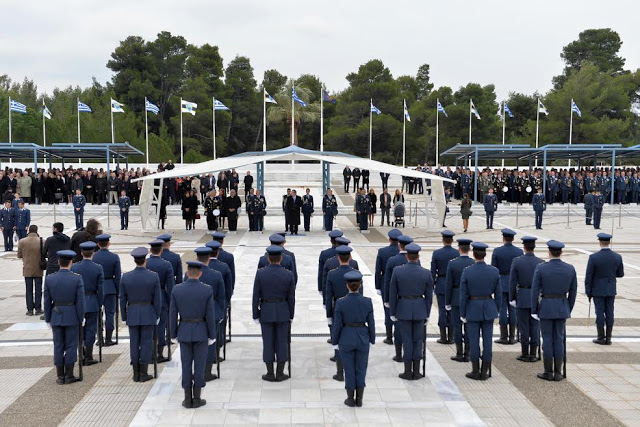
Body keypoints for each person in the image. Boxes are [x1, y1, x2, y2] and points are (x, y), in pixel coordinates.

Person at [170, 260, 217, 408]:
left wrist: (173, 333)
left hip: (184, 330)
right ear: (200, 274)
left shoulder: (177, 289)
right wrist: (212, 335)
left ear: (187, 273)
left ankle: (187, 398)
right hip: (201, 332)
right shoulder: (207, 290)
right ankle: (197, 397)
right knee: (199, 365)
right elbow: (210, 315)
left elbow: (173, 314)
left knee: (185, 365)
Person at [531, 240, 577, 381]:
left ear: (549, 252)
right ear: (561, 252)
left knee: (547, 339)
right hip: (562, 306)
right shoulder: (570, 269)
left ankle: (548, 371)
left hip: (546, 307)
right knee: (559, 339)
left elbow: (535, 291)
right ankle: (558, 372)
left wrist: (534, 309)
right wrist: (568, 307)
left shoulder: (541, 268)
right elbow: (573, 292)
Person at [389, 243, 433, 380]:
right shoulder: (426, 273)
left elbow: (393, 293)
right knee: (418, 341)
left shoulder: (397, 271)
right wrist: (427, 313)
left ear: (407, 256)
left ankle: (408, 371)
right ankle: (417, 371)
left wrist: (393, 312)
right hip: (420, 309)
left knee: (407, 340)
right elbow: (429, 296)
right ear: (418, 256)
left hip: (403, 309)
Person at [252, 245, 296, 382]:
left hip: (266, 310)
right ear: (281, 258)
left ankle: (270, 372)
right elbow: (291, 298)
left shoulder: (260, 273)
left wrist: (255, 313)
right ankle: (280, 372)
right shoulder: (288, 274)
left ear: (268, 259)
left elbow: (255, 296)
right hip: (283, 310)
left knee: (268, 341)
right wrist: (291, 314)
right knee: (282, 341)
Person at [332, 270, 375, 407]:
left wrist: (335, 341)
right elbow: (371, 323)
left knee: (349, 368)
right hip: (362, 336)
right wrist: (372, 340)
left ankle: (350, 398)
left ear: (347, 286)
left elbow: (337, 324)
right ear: (360, 285)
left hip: (346, 337)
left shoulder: (340, 303)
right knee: (361, 368)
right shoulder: (367, 302)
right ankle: (360, 398)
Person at [43, 249, 85, 385]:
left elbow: (47, 301)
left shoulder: (50, 278)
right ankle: (69, 374)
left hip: (56, 315)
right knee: (71, 345)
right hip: (72, 315)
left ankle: (60, 375)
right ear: (71, 262)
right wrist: (81, 317)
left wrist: (48, 318)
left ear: (58, 262)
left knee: (58, 345)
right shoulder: (77, 278)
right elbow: (80, 301)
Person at [120, 247, 161, 383]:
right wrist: (157, 314)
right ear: (145, 260)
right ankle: (143, 372)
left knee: (134, 343)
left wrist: (124, 316)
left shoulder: (126, 277)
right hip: (148, 312)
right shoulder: (153, 276)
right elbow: (157, 299)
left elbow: (122, 299)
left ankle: (135, 372)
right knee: (146, 343)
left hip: (132, 312)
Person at [460, 242, 500, 380]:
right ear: (485, 255)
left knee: (474, 340)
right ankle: (485, 370)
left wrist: (463, 313)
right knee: (488, 340)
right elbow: (498, 294)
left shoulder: (467, 271)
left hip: (472, 307)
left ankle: (475, 370)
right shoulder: (494, 271)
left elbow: (463, 294)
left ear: (473, 254)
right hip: (488, 306)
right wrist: (497, 309)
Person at [325, 245, 360, 381]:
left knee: (338, 339)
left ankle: (340, 373)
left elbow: (329, 296)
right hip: (354, 310)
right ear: (350, 257)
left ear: (338, 258)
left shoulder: (332, 274)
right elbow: (359, 291)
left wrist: (329, 314)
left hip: (337, 310)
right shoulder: (355, 272)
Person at [191, 247, 226, 381]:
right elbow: (221, 297)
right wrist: (221, 313)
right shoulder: (216, 275)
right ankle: (207, 371)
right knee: (211, 342)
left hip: (194, 314)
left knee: (195, 343)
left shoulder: (188, 275)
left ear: (196, 259)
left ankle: (197, 370)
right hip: (213, 313)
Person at [509, 236, 544, 362]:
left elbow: (512, 281)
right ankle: (533, 353)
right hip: (535, 298)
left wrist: (511, 297)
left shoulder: (517, 261)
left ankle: (525, 353)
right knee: (535, 326)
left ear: (524, 247)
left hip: (522, 296)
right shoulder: (541, 262)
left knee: (523, 326)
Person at [585, 233, 624, 345]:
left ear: (600, 242)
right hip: (611, 288)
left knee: (600, 313)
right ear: (609, 242)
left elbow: (589, 276)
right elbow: (620, 274)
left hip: (598, 289)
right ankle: (609, 337)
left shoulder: (594, 257)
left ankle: (601, 337)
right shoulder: (617, 256)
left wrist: (588, 292)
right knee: (610, 312)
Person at [71, 241, 104, 366]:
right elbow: (100, 289)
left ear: (81, 253)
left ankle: (81, 352)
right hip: (92, 301)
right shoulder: (98, 268)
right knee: (91, 329)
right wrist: (100, 302)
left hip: (78, 302)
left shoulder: (74, 267)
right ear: (93, 253)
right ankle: (89, 355)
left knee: (79, 328)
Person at [383, 234, 413, 362]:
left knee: (398, 328)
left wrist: (387, 299)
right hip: (411, 299)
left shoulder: (392, 261)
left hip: (397, 299)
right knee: (410, 329)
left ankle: (399, 354)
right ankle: (409, 354)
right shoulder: (414, 260)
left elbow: (387, 282)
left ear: (399, 246)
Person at [445, 238, 474, 362]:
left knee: (457, 326)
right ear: (469, 249)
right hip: (470, 298)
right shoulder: (473, 262)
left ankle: (459, 352)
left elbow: (448, 284)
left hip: (456, 297)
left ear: (459, 249)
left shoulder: (452, 263)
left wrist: (447, 301)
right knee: (468, 327)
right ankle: (467, 353)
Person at [492, 229, 523, 345]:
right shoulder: (519, 252)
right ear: (513, 239)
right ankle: (512, 336)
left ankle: (503, 336)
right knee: (513, 309)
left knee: (502, 310)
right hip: (514, 283)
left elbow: (494, 269)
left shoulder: (497, 251)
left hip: (501, 282)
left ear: (503, 238)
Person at [146, 240, 176, 363]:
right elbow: (170, 285)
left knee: (149, 327)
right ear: (161, 250)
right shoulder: (166, 265)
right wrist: (171, 301)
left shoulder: (146, 263)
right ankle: (159, 352)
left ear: (150, 251)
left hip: (147, 299)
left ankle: (149, 351)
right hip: (162, 297)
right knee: (161, 326)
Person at [374, 229, 402, 345]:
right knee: (400, 310)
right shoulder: (403, 254)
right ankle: (399, 335)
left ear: (389, 239)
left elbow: (378, 271)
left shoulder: (382, 251)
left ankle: (389, 336)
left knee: (388, 310)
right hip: (401, 284)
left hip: (386, 284)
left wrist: (377, 286)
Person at [92, 234, 121, 347]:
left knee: (98, 314)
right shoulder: (114, 257)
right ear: (108, 243)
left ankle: (100, 338)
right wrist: (118, 290)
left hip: (97, 288)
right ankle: (108, 338)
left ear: (98, 244)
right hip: (110, 287)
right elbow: (117, 276)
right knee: (110, 314)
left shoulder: (94, 257)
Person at [431, 230, 459, 345]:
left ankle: (443, 336)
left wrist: (432, 285)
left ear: (443, 240)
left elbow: (433, 272)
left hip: (442, 283)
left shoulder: (437, 253)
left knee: (442, 310)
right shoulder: (457, 253)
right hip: (454, 285)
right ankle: (451, 336)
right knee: (452, 311)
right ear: (452, 241)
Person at [17, 225, 45, 316]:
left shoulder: (22, 241)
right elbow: (45, 254)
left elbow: (19, 255)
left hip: (27, 268)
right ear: (37, 230)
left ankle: (29, 309)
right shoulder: (41, 241)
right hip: (38, 268)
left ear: (29, 230)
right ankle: (38, 308)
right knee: (38, 289)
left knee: (28, 289)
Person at [318, 230, 343, 305]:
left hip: (329, 287)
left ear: (330, 241)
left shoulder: (324, 254)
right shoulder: (345, 253)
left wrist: (320, 288)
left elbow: (321, 272)